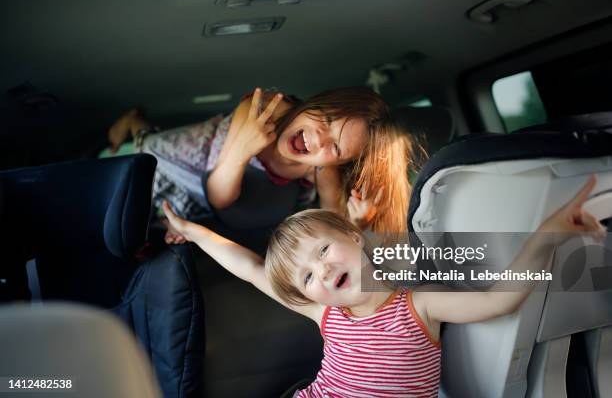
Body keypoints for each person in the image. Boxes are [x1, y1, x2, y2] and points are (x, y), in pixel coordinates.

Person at [161, 175, 605, 397]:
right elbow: (250, 267)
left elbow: (500, 300)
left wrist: (547, 237)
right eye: (307, 278)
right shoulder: (326, 314)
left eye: (321, 252)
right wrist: (196, 232)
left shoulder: (418, 304)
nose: (321, 271)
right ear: (308, 295)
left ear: (355, 237)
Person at [108, 87, 416, 243]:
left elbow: (331, 225)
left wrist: (357, 223)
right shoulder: (266, 108)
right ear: (314, 103)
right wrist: (243, 149)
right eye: (326, 119)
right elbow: (218, 193)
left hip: (207, 202)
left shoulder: (323, 170)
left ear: (340, 161)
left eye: (335, 147)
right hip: (183, 161)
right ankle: (135, 121)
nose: (319, 139)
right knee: (145, 144)